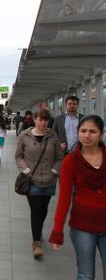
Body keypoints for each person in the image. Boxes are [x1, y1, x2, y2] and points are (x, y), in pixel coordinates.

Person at [49, 115, 106, 280]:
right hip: (82, 226)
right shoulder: (70, 161)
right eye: (83, 131)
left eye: (92, 131)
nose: (87, 135)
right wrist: (57, 231)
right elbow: (64, 198)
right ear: (78, 132)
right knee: (86, 274)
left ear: (101, 134)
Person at [15, 109, 63, 259]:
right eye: (40, 120)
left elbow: (59, 157)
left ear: (49, 121)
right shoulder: (24, 135)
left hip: (49, 181)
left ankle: (38, 230)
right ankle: (36, 243)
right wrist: (26, 170)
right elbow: (19, 155)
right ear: (35, 120)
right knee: (36, 211)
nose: (43, 123)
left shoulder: (53, 136)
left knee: (44, 210)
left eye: (46, 120)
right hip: (32, 180)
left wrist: (55, 171)